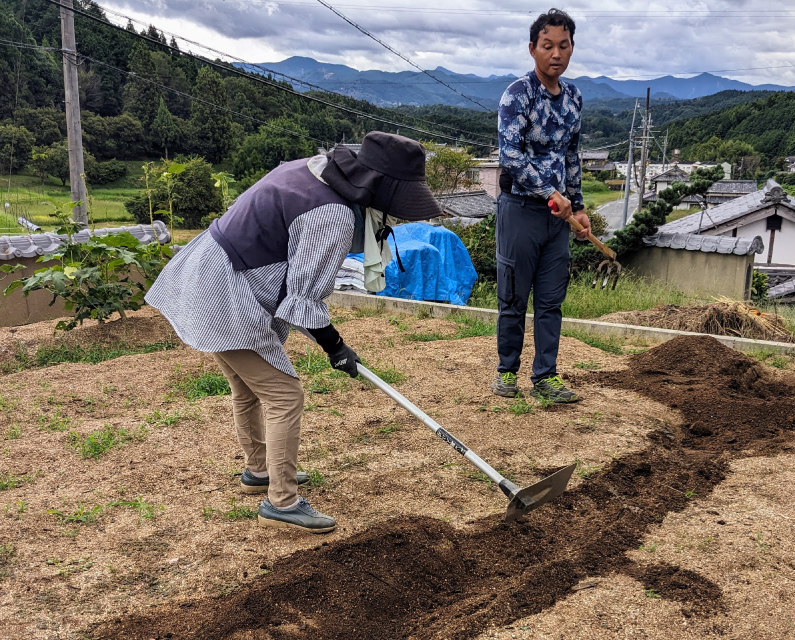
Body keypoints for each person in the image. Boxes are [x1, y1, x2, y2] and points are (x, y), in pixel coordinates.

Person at [145, 132, 441, 533]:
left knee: (248, 389)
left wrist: (334, 345)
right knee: (285, 395)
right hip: (224, 290)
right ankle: (281, 500)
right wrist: (336, 348)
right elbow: (304, 300)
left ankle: (260, 470)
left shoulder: (314, 169)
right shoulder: (332, 214)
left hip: (207, 269)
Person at [491, 8, 591, 403]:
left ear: (571, 49)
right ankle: (506, 372)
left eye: (563, 46)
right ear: (532, 49)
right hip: (520, 210)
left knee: (551, 300)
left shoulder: (574, 98)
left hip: (559, 217)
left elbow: (571, 155)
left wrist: (578, 206)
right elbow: (511, 157)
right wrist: (551, 192)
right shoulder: (517, 94)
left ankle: (546, 376)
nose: (556, 54)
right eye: (547, 46)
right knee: (514, 297)